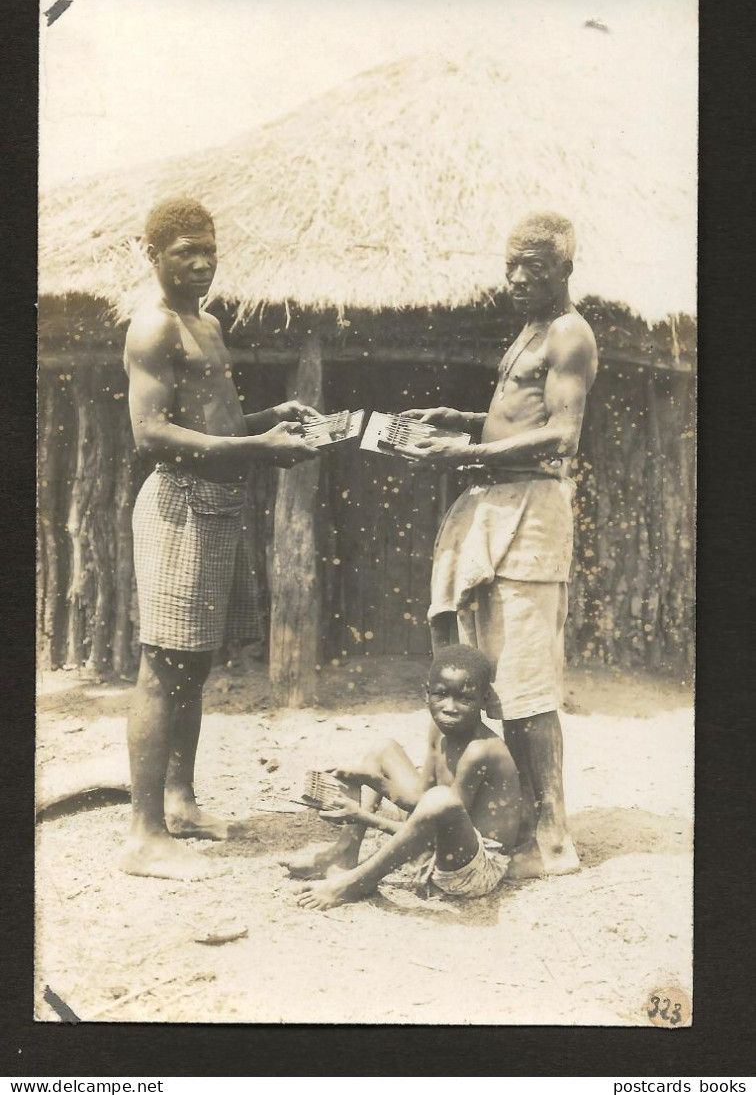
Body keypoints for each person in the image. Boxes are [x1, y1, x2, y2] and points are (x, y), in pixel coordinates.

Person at [123, 197, 320, 880]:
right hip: (178, 502)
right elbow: (151, 434)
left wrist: (270, 418)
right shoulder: (153, 329)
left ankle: (179, 802)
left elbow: (217, 419)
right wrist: (258, 445)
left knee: (194, 665)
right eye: (185, 251)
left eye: (209, 248)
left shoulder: (204, 323)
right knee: (162, 664)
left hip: (216, 502)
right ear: (153, 255)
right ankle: (144, 835)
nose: (202, 262)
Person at [400, 211, 598, 880]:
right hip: (496, 505)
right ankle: (515, 821)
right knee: (497, 676)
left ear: (565, 269)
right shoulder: (531, 330)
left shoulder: (570, 334)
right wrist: (458, 423)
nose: (517, 277)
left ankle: (554, 837)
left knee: (527, 684)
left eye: (534, 268)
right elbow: (517, 414)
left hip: (531, 512)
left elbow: (561, 435)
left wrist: (471, 452)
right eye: (511, 264)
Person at [284, 645, 521, 910]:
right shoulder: (438, 729)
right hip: (441, 837)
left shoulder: (480, 750)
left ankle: (357, 882)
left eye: (464, 699)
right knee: (383, 749)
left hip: (472, 869)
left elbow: (434, 832)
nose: (450, 708)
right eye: (441, 695)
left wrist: (364, 817)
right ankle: (344, 854)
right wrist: (370, 778)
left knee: (441, 798)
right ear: (427, 693)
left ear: (485, 698)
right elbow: (419, 800)